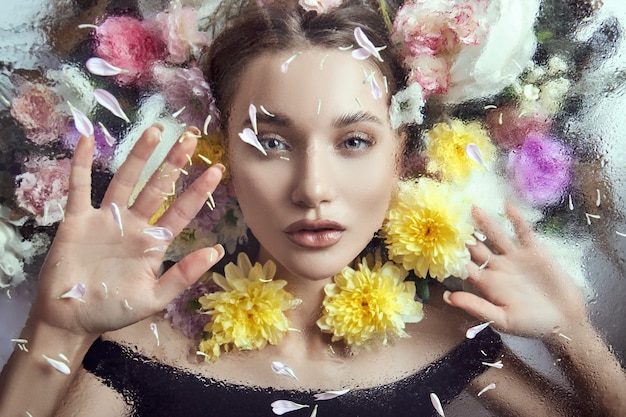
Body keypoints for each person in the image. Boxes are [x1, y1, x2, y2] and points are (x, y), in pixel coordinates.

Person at [1, 1, 625, 416]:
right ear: (223, 158)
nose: (313, 188)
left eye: (354, 141)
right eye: (270, 143)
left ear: (399, 155)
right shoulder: (143, 343)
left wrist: (574, 335)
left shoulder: (444, 333)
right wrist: (56, 327)